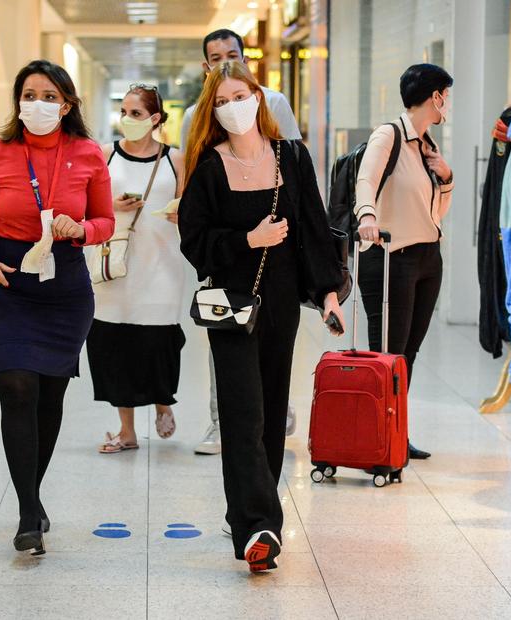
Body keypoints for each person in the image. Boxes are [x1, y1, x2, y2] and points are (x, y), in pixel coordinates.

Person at [178, 61, 345, 573]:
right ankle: (259, 527)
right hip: (230, 302)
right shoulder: (208, 167)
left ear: (259, 97)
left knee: (272, 412)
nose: (232, 107)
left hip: (280, 302)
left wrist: (330, 293)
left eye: (239, 96)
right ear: (213, 110)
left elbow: (315, 230)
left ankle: (255, 511)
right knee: (242, 412)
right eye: (221, 101)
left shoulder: (291, 158)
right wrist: (248, 240)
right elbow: (194, 240)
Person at [0, 60, 114, 556]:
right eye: (29, 94)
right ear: (17, 101)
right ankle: (29, 510)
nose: (38, 104)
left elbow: (106, 220)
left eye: (50, 96)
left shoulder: (88, 153)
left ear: (66, 104)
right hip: (6, 279)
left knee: (50, 398)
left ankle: (33, 494)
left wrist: (84, 231)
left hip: (65, 283)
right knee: (16, 385)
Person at [181, 28, 302, 456]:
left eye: (231, 54)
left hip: (279, 273)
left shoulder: (275, 106)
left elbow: (296, 186)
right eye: (215, 57)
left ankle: (274, 415)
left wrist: (323, 286)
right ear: (205, 66)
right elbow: (190, 189)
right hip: (229, 268)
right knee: (232, 358)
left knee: (271, 365)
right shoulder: (199, 126)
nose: (223, 62)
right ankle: (223, 421)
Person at [354, 63, 454, 460]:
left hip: (428, 257)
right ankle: (376, 435)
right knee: (388, 354)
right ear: (435, 97)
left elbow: (436, 211)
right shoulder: (389, 135)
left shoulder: (428, 146)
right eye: (446, 95)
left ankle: (394, 430)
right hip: (391, 257)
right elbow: (366, 178)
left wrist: (446, 178)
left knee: (407, 355)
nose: (448, 103)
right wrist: (367, 215)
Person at [89, 84, 186, 453]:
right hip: (114, 264)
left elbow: (192, 202)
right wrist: (111, 205)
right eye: (124, 113)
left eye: (136, 114)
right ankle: (126, 430)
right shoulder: (104, 156)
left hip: (162, 263)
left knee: (157, 341)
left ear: (155, 119)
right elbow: (86, 203)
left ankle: (163, 400)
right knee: (114, 344)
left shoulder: (175, 159)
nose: (127, 120)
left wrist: (182, 214)